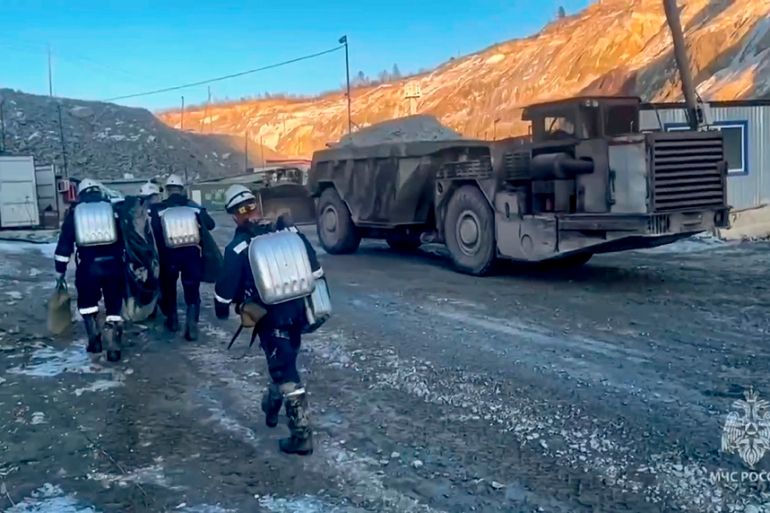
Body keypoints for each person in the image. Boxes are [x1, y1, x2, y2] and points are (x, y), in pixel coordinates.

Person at [214, 184, 322, 455]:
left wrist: (220, 310)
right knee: (284, 360)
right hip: (299, 311)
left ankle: (301, 435)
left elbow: (224, 293)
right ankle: (272, 404)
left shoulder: (238, 247)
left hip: (270, 320)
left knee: (285, 371)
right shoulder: (287, 232)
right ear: (256, 206)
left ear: (233, 216)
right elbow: (316, 268)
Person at [54, 178, 125, 362]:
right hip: (114, 265)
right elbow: (126, 238)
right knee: (114, 305)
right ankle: (114, 345)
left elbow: (64, 245)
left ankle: (94, 339)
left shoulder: (74, 213)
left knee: (87, 305)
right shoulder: (113, 210)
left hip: (88, 267)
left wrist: (60, 270)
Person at [150, 174, 215, 341]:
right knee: (192, 290)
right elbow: (210, 225)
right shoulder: (193, 208)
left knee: (169, 288)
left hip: (168, 256)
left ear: (167, 191)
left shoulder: (158, 209)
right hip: (192, 255)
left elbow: (155, 232)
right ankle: (192, 325)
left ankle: (172, 321)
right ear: (181, 189)